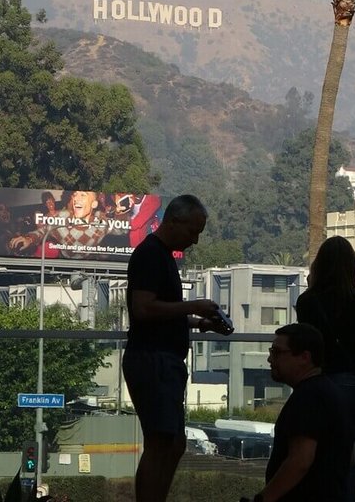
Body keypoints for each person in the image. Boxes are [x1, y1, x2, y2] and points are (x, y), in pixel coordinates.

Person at [122, 194, 231, 502]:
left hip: (160, 358)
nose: (195, 240)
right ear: (173, 221)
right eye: (192, 231)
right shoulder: (150, 256)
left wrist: (199, 323)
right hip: (153, 359)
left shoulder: (159, 255)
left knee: (172, 442)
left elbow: (156, 313)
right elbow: (143, 309)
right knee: (160, 442)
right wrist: (191, 307)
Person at [295, 236, 355, 500]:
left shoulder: (308, 301)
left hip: (318, 383)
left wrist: (311, 286)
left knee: (314, 458)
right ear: (353, 267)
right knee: (350, 463)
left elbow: (307, 335)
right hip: (354, 384)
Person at [243, 323, 353, 502]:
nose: (270, 359)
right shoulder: (332, 393)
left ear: (304, 357)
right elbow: (351, 455)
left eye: (277, 352)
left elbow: (300, 460)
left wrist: (263, 499)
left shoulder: (308, 397)